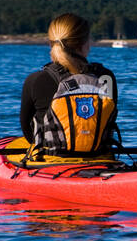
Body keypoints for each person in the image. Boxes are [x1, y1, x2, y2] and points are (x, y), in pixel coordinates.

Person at [19, 13, 119, 159]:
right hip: (101, 158)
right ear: (84, 44)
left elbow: (27, 129)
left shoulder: (36, 80)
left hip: (51, 161)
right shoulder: (106, 77)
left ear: (50, 43)